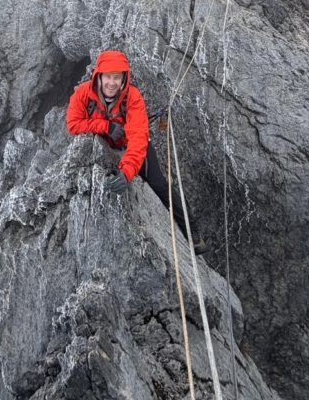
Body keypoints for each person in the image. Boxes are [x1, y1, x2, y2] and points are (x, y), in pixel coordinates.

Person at [66, 49, 209, 254]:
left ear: (124, 79)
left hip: (131, 147)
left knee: (159, 185)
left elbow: (138, 139)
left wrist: (126, 172)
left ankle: (193, 235)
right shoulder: (82, 94)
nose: (112, 83)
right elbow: (73, 124)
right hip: (107, 147)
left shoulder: (132, 98)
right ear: (98, 76)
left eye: (117, 77)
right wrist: (104, 126)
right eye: (108, 76)